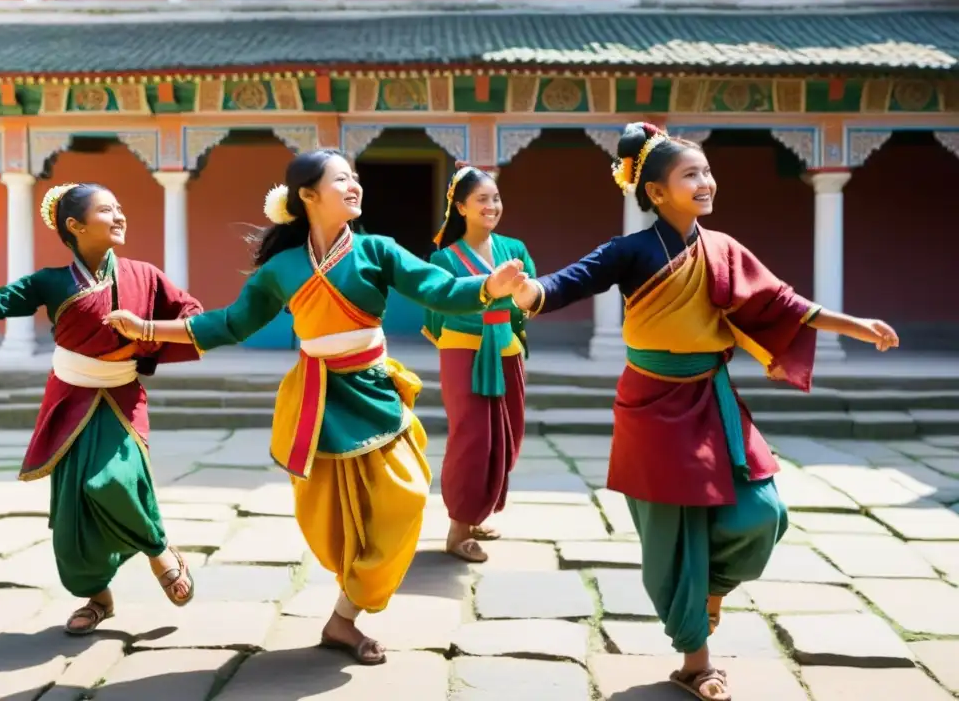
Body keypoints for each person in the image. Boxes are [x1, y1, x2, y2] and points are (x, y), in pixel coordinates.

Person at [513, 123, 899, 701]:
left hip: (711, 397)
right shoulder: (632, 251)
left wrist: (856, 325)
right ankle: (698, 662)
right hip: (651, 405)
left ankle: (712, 591)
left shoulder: (722, 249)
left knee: (762, 513)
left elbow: (783, 302)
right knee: (676, 536)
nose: (706, 182)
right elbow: (573, 279)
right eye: (690, 174)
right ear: (657, 191)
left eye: (707, 171)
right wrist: (528, 293)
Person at [102, 149, 528, 666]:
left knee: (407, 497)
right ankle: (344, 620)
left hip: (373, 392)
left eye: (355, 178)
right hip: (316, 401)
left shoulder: (378, 250)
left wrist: (488, 287)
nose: (355, 186)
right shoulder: (283, 268)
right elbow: (231, 323)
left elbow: (437, 289)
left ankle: (348, 609)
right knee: (330, 520)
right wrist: (148, 330)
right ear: (307, 196)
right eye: (341, 178)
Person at [0, 182, 202, 635]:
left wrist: (146, 330)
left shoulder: (145, 275)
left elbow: (192, 314)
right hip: (69, 402)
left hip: (120, 398)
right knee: (72, 512)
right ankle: (97, 597)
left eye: (120, 207)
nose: (119, 215)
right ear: (75, 226)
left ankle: (159, 550)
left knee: (113, 482)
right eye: (106, 209)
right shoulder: (51, 282)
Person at [422, 164, 534, 563]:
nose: (492, 206)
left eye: (496, 198)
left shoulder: (515, 249)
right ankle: (457, 528)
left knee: (507, 434)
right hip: (463, 350)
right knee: (472, 438)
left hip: (505, 348)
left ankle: (477, 513)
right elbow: (436, 308)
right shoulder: (445, 258)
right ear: (461, 207)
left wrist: (521, 301)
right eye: (482, 200)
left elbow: (529, 299)